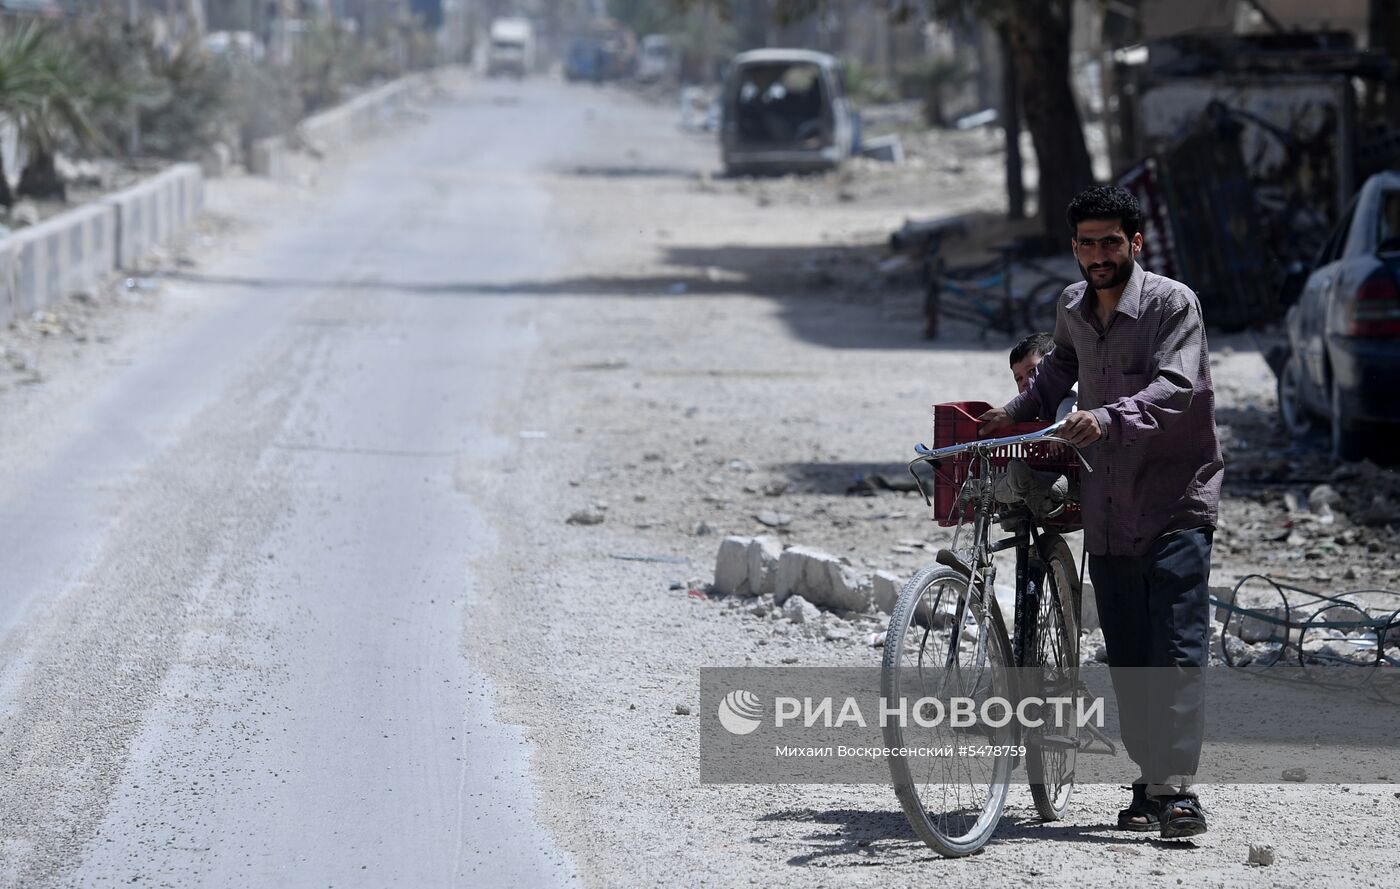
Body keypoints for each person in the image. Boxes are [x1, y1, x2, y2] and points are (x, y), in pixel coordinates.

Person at [979, 185, 1223, 840]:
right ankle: (1149, 779)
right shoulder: (1070, 307)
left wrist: (1105, 416)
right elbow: (1060, 367)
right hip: (1109, 504)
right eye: (1086, 243)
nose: (1098, 254)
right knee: (1131, 653)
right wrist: (1016, 410)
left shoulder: (1174, 305)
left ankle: (1177, 792)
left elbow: (1177, 387)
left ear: (1135, 243)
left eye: (1110, 241)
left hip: (1175, 496)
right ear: (1074, 248)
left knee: (1174, 645)